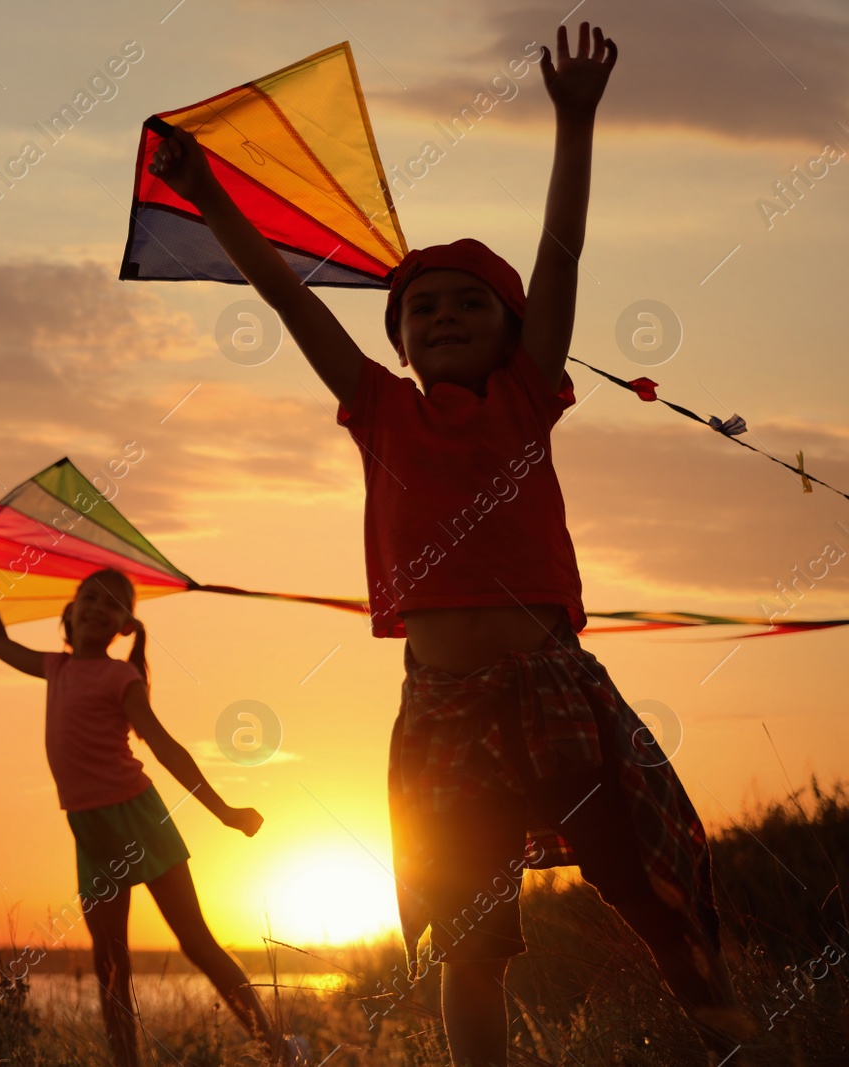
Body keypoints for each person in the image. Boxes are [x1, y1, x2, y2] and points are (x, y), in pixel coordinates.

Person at [147, 21, 754, 1067]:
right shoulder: (376, 411)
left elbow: (560, 251)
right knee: (467, 942)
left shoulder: (526, 395)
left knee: (652, 888)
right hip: (440, 713)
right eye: (418, 308)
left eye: (467, 302)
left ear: (512, 330)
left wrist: (575, 120)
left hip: (552, 690)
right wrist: (210, 199)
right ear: (396, 340)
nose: (439, 316)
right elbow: (287, 295)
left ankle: (726, 1024)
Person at [0, 531, 301, 1067]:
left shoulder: (120, 676)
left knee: (197, 944)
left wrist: (225, 811)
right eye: (91, 597)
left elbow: (165, 748)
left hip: (140, 819)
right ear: (71, 612)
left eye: (113, 603)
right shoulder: (54, 668)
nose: (99, 607)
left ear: (125, 627)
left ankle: (278, 1048)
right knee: (110, 965)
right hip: (90, 830)